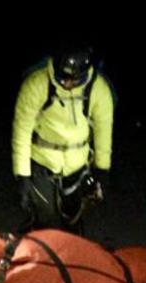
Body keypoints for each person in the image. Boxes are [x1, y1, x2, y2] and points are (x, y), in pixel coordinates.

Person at [11, 46, 115, 235]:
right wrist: (22, 176)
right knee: (45, 219)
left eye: (73, 79)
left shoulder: (99, 89)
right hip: (42, 161)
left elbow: (103, 131)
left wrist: (102, 170)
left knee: (73, 218)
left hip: (77, 164)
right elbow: (22, 131)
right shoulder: (36, 83)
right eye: (62, 77)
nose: (67, 83)